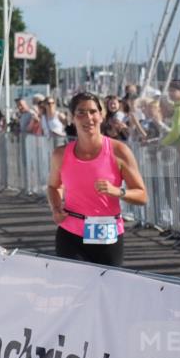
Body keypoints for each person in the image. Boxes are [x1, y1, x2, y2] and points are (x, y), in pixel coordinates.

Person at [46, 92, 147, 267]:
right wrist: (55, 208)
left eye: (93, 111)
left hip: (107, 234)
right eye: (81, 112)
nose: (88, 118)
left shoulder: (119, 151)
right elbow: (53, 186)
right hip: (71, 234)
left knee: (107, 292)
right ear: (72, 118)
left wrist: (118, 191)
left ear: (102, 115)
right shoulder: (60, 155)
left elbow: (142, 195)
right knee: (73, 291)